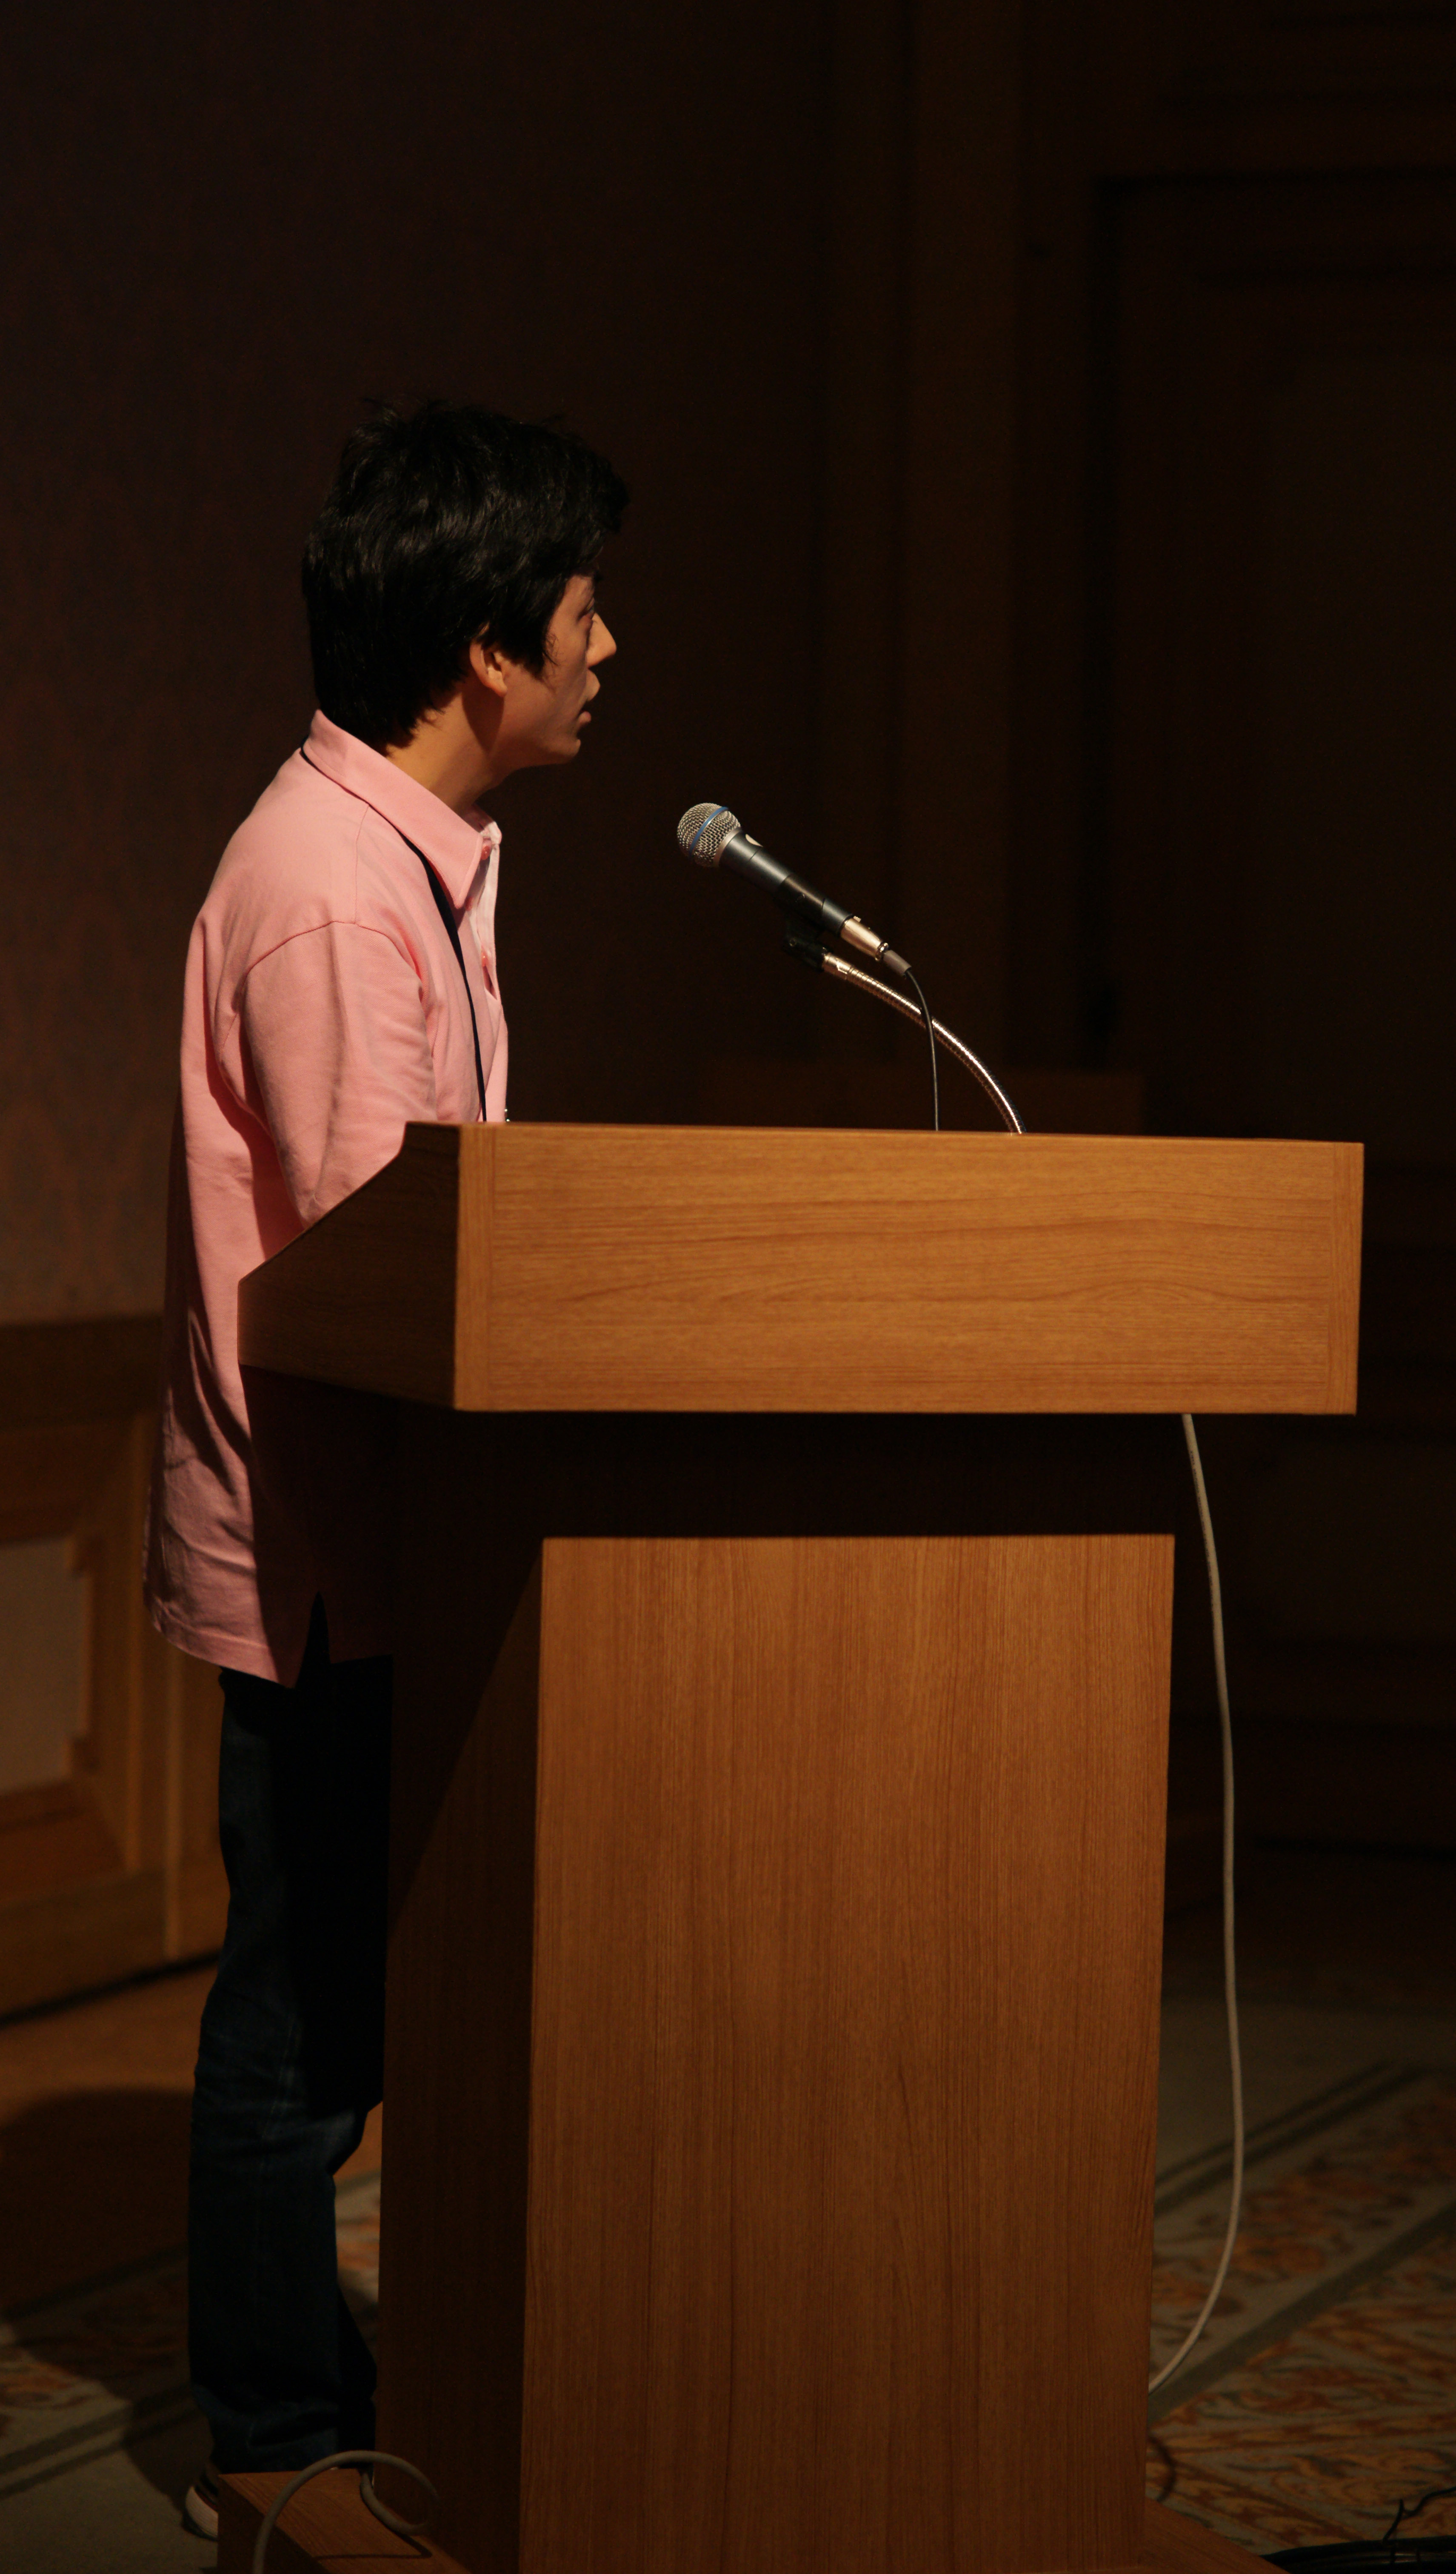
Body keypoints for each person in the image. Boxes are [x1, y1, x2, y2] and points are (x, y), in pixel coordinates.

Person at [144, 401, 625, 2540]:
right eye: (585, 609)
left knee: (348, 2003)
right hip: (338, 1554)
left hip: (398, 1552)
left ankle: (330, 2388)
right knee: (303, 2026)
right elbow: (391, 1281)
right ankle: (268, 2434)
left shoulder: (412, 856)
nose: (609, 647)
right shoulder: (337, 897)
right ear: (485, 646)